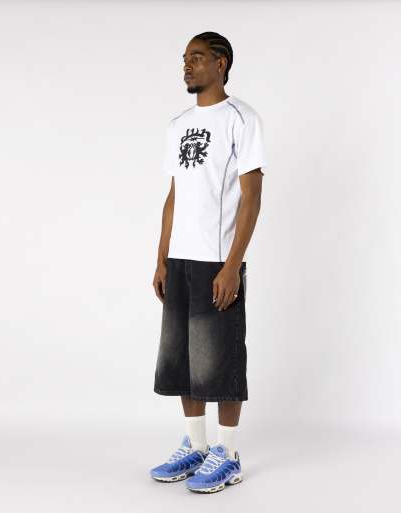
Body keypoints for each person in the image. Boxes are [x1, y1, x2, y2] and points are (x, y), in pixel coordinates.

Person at [150, 31, 267, 494]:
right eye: (184, 58)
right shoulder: (177, 124)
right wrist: (161, 258)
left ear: (221, 64)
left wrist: (232, 265)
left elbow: (252, 197)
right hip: (180, 258)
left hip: (217, 260)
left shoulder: (242, 118)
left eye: (196, 57)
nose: (187, 65)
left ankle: (228, 453)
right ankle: (196, 446)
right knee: (183, 359)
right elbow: (173, 196)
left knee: (220, 358)